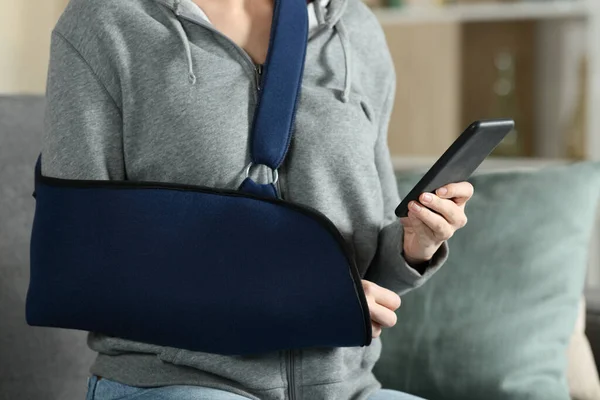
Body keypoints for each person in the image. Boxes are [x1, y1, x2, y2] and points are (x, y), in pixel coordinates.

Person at [43, 0, 473, 399]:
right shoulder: (107, 21)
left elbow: (364, 265)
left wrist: (413, 246)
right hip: (180, 380)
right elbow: (81, 263)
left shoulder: (352, 26)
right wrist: (287, 299)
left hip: (346, 387)